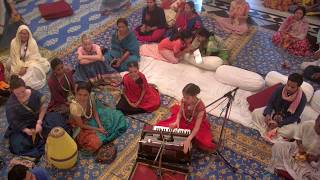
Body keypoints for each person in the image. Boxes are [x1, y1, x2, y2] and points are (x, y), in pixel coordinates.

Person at [5, 75, 70, 158]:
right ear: (12, 91)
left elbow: (44, 106)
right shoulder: (11, 104)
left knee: (58, 123)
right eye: (17, 94)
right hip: (23, 126)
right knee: (18, 144)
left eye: (23, 91)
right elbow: (13, 121)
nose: (21, 95)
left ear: (25, 86)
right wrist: (26, 130)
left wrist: (39, 122)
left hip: (39, 119)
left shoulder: (33, 93)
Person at [69, 82, 128, 152]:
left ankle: (103, 131)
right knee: (95, 143)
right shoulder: (74, 107)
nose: (82, 97)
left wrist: (100, 126)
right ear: (76, 93)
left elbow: (95, 112)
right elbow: (81, 125)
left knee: (117, 115)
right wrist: (98, 129)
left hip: (91, 117)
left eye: (85, 95)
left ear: (89, 94)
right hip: (82, 126)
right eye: (79, 94)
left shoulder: (91, 96)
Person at [157, 83, 216, 154]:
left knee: (204, 142)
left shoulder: (200, 107)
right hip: (184, 118)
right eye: (184, 97)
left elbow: (196, 128)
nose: (184, 99)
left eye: (187, 98)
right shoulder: (184, 100)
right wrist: (177, 121)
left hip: (195, 123)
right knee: (166, 127)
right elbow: (180, 113)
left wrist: (188, 139)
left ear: (194, 96)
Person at [252, 73, 307, 141]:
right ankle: (272, 128)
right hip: (274, 112)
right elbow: (270, 102)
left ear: (298, 87)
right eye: (288, 85)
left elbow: (295, 117)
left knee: (292, 131)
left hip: (287, 119)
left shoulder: (302, 98)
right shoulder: (280, 88)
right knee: (256, 112)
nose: (288, 88)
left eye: (292, 87)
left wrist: (279, 124)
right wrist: (268, 114)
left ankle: (272, 128)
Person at [270, 115, 320, 179]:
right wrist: (300, 147)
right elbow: (298, 137)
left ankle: (291, 172)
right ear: (317, 120)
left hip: (314, 161)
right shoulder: (307, 124)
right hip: (298, 150)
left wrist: (315, 157)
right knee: (278, 146)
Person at [8, 25, 50, 90]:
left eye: (25, 34)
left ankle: (23, 82)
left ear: (28, 34)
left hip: (30, 63)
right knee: (9, 63)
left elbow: (34, 57)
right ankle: (21, 81)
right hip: (18, 63)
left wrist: (25, 67)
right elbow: (14, 58)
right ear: (18, 34)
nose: (23, 36)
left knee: (34, 67)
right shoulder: (13, 42)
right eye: (21, 33)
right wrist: (18, 69)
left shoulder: (32, 42)